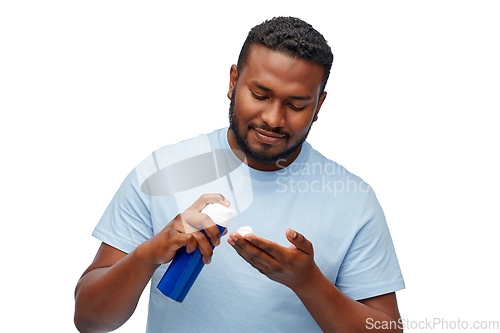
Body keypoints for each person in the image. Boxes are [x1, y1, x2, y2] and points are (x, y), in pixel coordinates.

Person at [74, 17, 405, 332]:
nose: (274, 118)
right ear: (233, 82)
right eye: (260, 95)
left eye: (297, 105)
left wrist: (309, 283)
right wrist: (148, 254)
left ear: (319, 106)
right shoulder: (163, 172)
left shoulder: (353, 201)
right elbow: (89, 320)